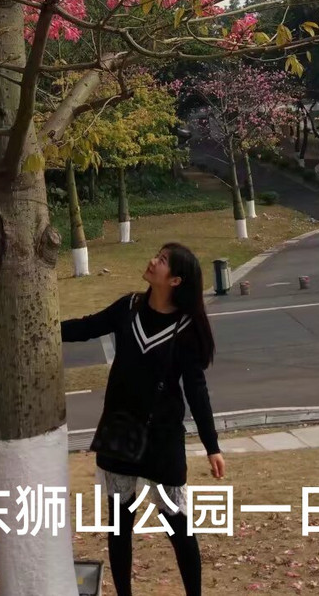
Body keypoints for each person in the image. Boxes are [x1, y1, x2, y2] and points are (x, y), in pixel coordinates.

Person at [62, 241, 224, 596]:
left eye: (163, 261)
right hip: (120, 430)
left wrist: (213, 446)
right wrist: (43, 326)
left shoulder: (185, 329)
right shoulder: (129, 307)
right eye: (157, 255)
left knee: (177, 525)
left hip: (163, 439)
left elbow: (196, 391)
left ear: (176, 280)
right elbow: (86, 327)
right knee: (119, 526)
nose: (153, 261)